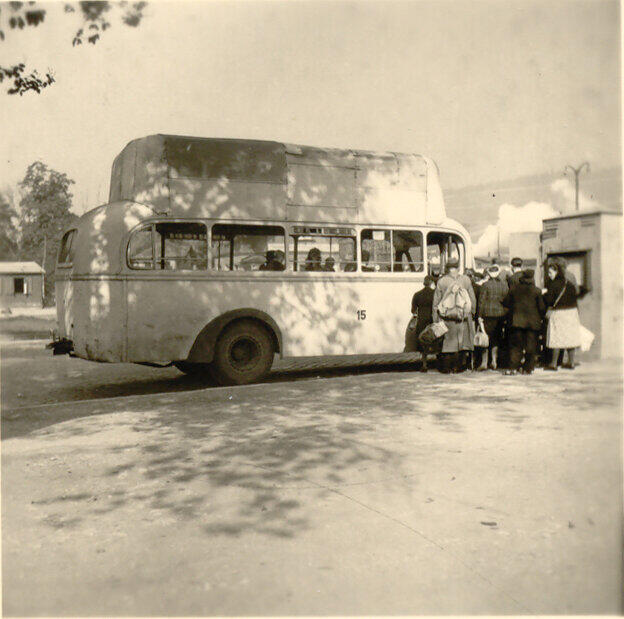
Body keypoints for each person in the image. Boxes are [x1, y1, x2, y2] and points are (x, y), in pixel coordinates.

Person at [432, 260, 476, 373]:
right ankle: (458, 367)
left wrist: (435, 319)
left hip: (447, 317)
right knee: (461, 343)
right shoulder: (466, 280)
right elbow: (472, 299)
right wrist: (472, 313)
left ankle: (447, 368)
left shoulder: (442, 282)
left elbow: (436, 303)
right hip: (462, 318)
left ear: (447, 268)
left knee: (447, 343)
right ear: (458, 267)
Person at [543, 262, 588, 370]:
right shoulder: (569, 284)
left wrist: (544, 294)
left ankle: (553, 364)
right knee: (570, 337)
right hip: (572, 313)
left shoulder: (553, 285)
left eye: (550, 272)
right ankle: (571, 362)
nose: (549, 275)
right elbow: (575, 296)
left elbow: (549, 300)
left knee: (557, 337)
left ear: (556, 272)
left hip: (559, 313)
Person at [501, 269, 546, 375]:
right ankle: (528, 368)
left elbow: (506, 303)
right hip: (532, 323)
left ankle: (513, 368)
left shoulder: (514, 289)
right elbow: (542, 308)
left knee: (516, 346)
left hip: (517, 322)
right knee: (531, 346)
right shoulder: (537, 291)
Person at [476, 264, 509, 370]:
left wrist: (479, 315)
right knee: (496, 338)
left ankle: (484, 363)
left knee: (486, 338)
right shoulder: (504, 285)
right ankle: (494, 361)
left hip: (487, 315)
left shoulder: (485, 285)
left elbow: (481, 302)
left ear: (489, 273)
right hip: (500, 315)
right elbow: (507, 301)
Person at [410, 275, 437, 372]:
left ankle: (424, 364)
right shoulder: (435, 294)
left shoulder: (417, 294)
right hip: (432, 320)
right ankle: (437, 362)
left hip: (421, 320)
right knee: (435, 340)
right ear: (431, 283)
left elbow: (413, 310)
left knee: (423, 341)